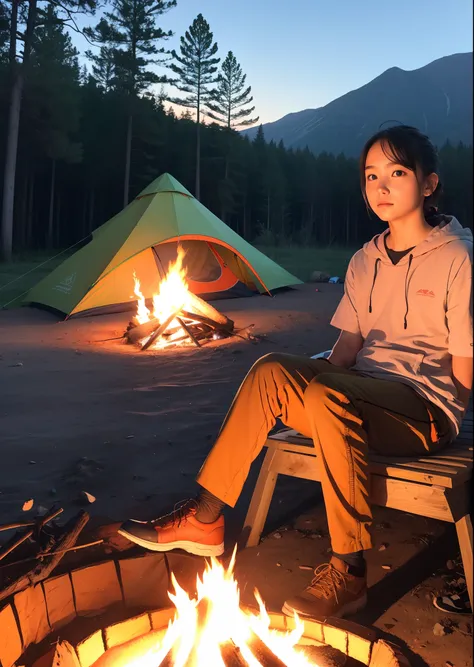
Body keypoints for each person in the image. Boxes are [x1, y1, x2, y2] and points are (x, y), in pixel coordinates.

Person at [119, 125, 473, 620]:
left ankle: (348, 571)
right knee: (270, 371)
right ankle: (204, 520)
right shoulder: (364, 260)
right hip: (360, 391)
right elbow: (347, 347)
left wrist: (448, 418)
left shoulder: (459, 257)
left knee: (329, 396)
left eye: (397, 172)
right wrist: (303, 378)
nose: (382, 187)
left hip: (423, 408)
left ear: (429, 183)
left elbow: (465, 366)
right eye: (371, 176)